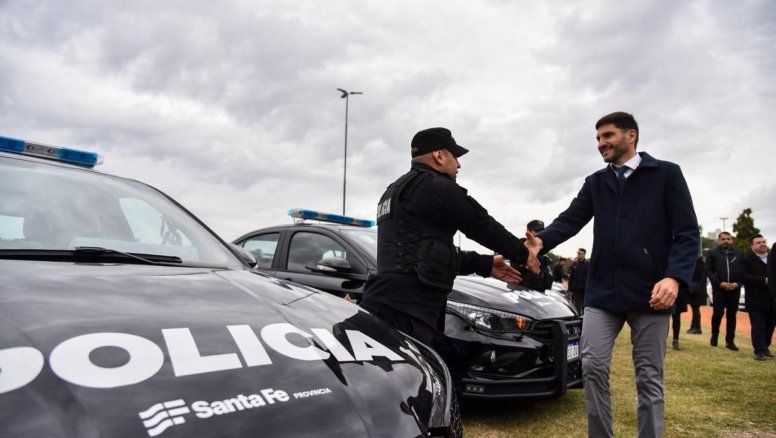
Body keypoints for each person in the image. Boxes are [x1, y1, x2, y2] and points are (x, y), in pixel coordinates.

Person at [534, 112, 699, 438]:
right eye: (598, 138)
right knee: (592, 367)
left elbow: (687, 233)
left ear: (631, 135)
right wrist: (540, 242)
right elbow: (569, 220)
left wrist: (674, 277)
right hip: (603, 292)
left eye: (607, 135)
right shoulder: (596, 182)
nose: (601, 143)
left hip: (652, 292)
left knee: (649, 377)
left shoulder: (666, 174)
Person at [360, 127, 540, 351]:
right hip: (411, 311)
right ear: (439, 155)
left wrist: (485, 264)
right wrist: (523, 253)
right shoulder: (437, 186)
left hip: (384, 303)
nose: (459, 164)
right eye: (455, 156)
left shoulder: (393, 191)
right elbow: (481, 224)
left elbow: (428, 254)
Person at [706, 231, 745, 350]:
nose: (726, 241)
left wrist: (737, 284)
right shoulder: (712, 253)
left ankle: (730, 341)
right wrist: (719, 283)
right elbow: (708, 271)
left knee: (732, 315)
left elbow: (744, 271)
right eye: (723, 239)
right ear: (718, 241)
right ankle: (714, 335)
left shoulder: (740, 253)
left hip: (734, 289)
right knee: (718, 313)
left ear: (732, 240)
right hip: (719, 289)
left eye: (728, 239)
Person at [742, 235, 774, 360]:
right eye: (758, 242)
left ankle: (765, 347)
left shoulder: (772, 258)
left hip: (772, 299)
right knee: (758, 326)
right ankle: (759, 350)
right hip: (755, 299)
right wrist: (763, 280)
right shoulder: (747, 260)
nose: (762, 244)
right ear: (752, 246)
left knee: (770, 325)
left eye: (763, 241)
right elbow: (744, 277)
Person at [511, 219, 554, 292]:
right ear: (528, 231)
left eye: (542, 231)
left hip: (539, 291)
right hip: (522, 290)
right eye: (537, 231)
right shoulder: (521, 244)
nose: (540, 233)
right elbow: (516, 267)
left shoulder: (543, 248)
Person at [686, 255, 707, 334]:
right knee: (695, 309)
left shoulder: (696, 264)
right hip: (699, 289)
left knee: (695, 309)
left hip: (695, 290)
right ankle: (694, 326)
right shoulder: (703, 264)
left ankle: (697, 327)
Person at [568, 248, 590, 315]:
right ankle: (578, 316)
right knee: (577, 304)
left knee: (584, 304)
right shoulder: (574, 264)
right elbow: (571, 277)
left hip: (585, 288)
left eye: (580, 253)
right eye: (578, 253)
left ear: (584, 254)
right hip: (576, 288)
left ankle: (584, 316)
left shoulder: (588, 264)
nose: (578, 254)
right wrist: (569, 288)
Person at [670, 281, 689, 350]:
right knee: (662, 317)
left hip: (679, 291)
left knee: (676, 317)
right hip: (665, 290)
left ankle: (675, 340)